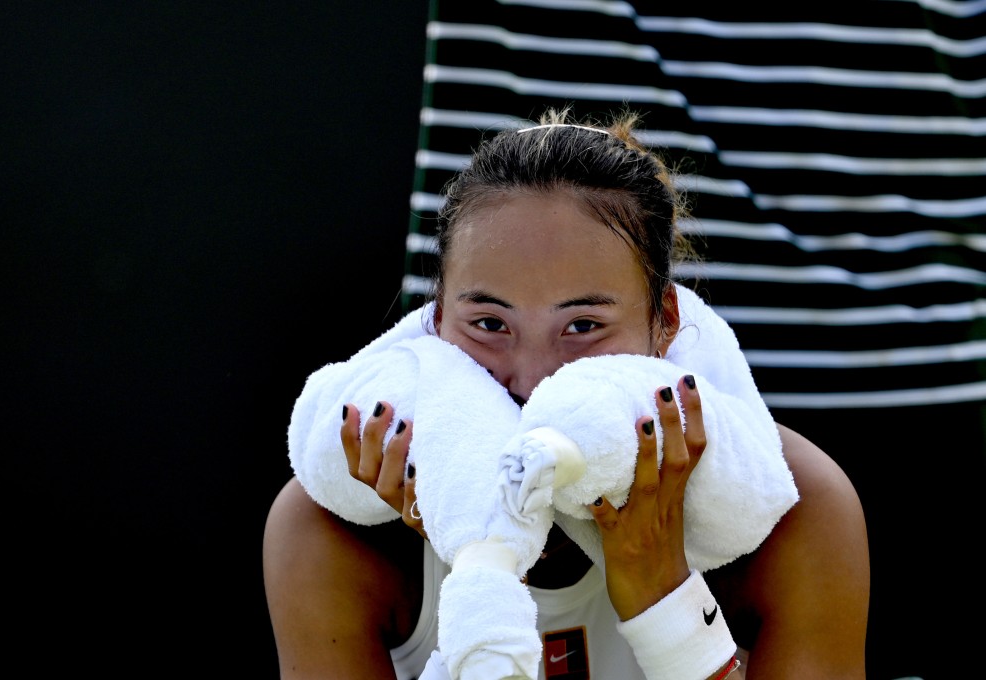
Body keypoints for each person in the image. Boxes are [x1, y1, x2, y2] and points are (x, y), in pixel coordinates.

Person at [263, 108, 870, 679]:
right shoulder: (328, 530)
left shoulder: (800, 508)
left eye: (582, 327)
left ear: (665, 325)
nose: (531, 381)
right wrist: (473, 564)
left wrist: (668, 604)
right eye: (489, 325)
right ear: (436, 322)